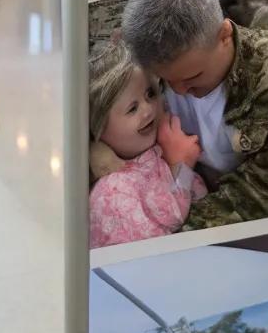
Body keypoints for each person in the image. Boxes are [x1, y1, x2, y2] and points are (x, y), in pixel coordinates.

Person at [121, 0, 268, 228]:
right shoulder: (146, 75)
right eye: (166, 80)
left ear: (224, 34)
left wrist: (166, 234)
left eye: (192, 77)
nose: (178, 91)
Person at [88, 37, 207, 249]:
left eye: (150, 94)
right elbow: (171, 219)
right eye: (132, 108)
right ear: (99, 128)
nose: (148, 109)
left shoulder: (157, 146)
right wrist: (182, 166)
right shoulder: (112, 190)